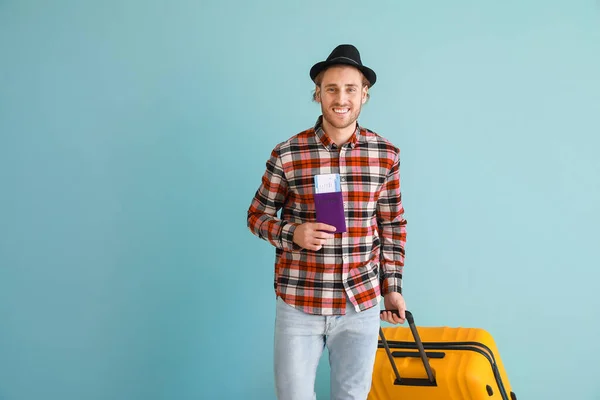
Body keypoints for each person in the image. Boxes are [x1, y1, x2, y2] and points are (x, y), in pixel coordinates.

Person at [246, 44, 408, 400]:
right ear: (318, 93)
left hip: (360, 304)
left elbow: (392, 226)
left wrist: (392, 287)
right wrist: (292, 233)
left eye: (351, 88)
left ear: (365, 94)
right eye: (332, 88)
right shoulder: (287, 153)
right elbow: (256, 216)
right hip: (300, 302)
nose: (341, 98)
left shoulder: (386, 155)